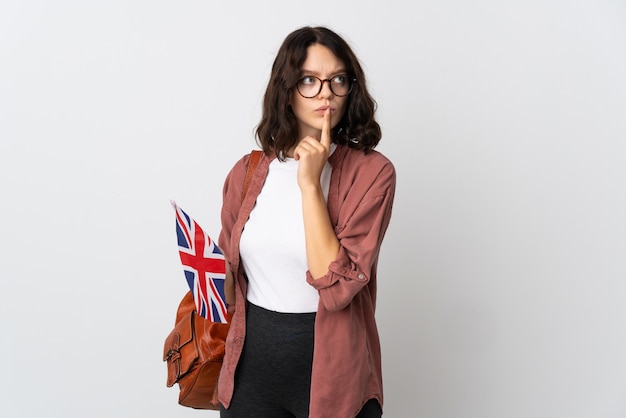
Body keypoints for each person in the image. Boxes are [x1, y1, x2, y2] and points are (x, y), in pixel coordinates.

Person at [217, 26, 396, 418]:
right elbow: (229, 286)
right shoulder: (246, 173)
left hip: (335, 381)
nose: (326, 92)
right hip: (250, 377)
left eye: (338, 80)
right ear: (287, 88)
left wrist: (310, 185)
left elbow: (335, 289)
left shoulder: (372, 174)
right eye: (309, 81)